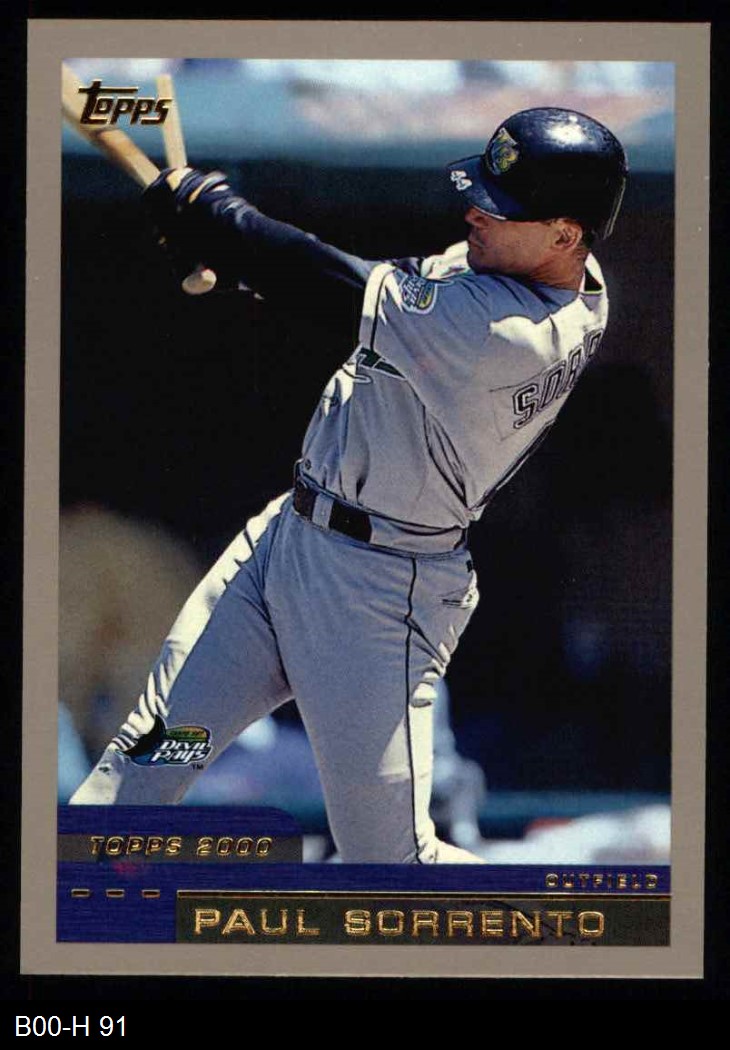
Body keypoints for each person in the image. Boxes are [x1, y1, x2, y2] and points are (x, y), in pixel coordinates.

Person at [70, 107, 628, 865]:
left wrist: (221, 216)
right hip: (278, 558)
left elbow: (340, 288)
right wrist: (236, 254)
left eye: (501, 208)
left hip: (376, 598)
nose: (475, 213)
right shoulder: (534, 267)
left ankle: (537, 925)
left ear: (565, 234)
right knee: (145, 767)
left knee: (387, 865)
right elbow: (353, 286)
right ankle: (70, 918)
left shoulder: (511, 335)